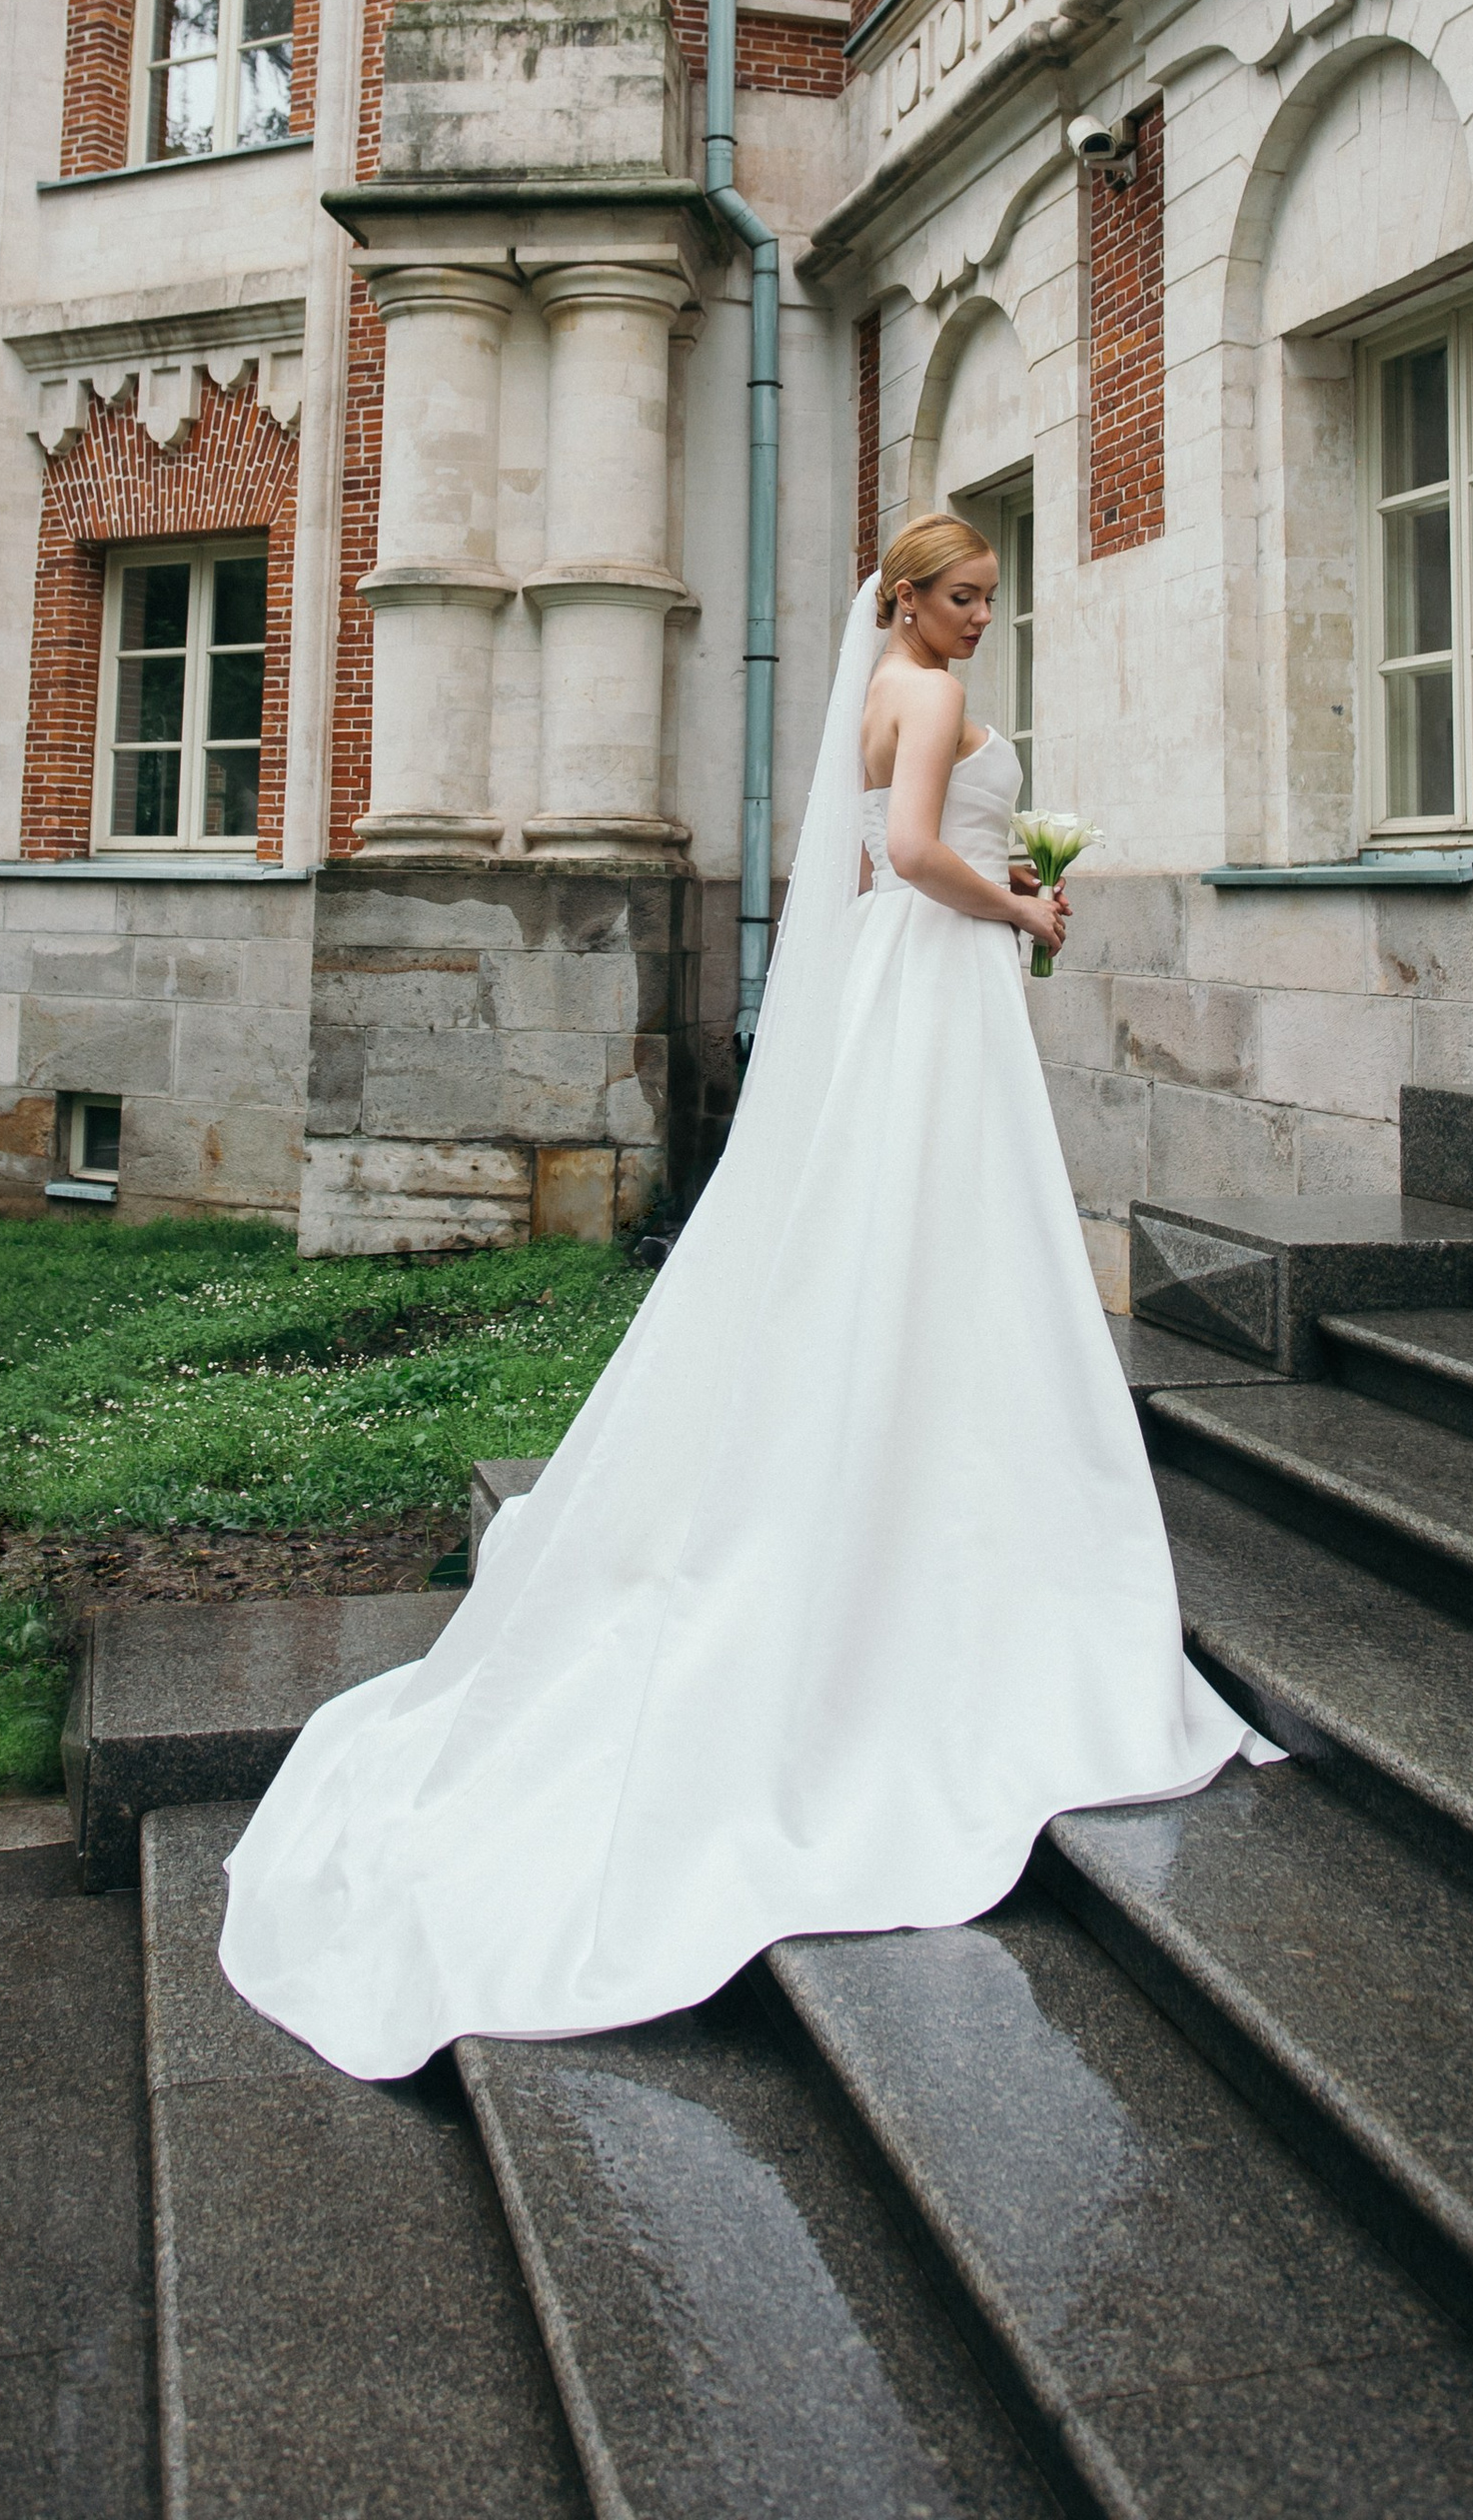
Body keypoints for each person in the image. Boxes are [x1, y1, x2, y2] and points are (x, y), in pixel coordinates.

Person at [217, 512, 1278, 2078]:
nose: (985, 616)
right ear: (903, 601)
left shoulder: (888, 689)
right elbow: (909, 855)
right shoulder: (916, 695)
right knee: (946, 1235)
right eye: (963, 596)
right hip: (941, 981)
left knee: (927, 1243)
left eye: (994, 597)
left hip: (925, 997)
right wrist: (1026, 907)